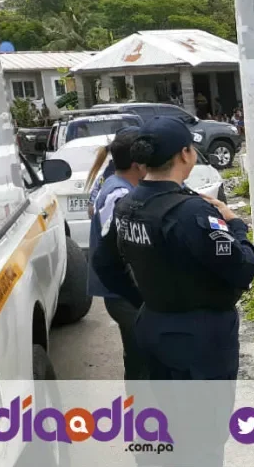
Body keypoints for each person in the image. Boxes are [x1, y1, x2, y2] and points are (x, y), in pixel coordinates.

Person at [92, 117, 254, 466]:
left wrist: (147, 301)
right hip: (200, 338)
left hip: (154, 325)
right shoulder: (190, 212)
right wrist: (236, 225)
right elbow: (243, 267)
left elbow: (104, 264)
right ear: (185, 154)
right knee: (205, 437)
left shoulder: (128, 203)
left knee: (168, 425)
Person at [86, 127, 149, 385]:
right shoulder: (119, 194)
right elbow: (121, 249)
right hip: (122, 292)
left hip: (121, 291)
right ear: (138, 165)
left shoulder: (114, 183)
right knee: (141, 359)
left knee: (138, 356)